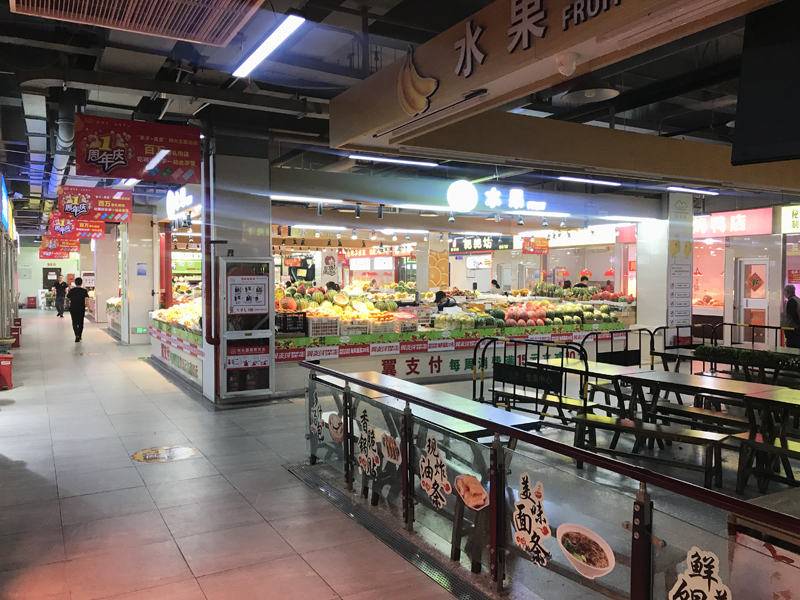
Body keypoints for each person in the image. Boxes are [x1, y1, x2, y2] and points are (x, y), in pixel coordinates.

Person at [67, 277, 90, 343]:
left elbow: (67, 299)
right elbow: (87, 300)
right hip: (81, 308)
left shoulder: (72, 290)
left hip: (73, 308)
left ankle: (76, 334)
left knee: (74, 321)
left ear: (75, 283)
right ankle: (79, 335)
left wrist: (68, 305)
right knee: (80, 322)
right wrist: (89, 308)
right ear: (81, 283)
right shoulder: (84, 291)